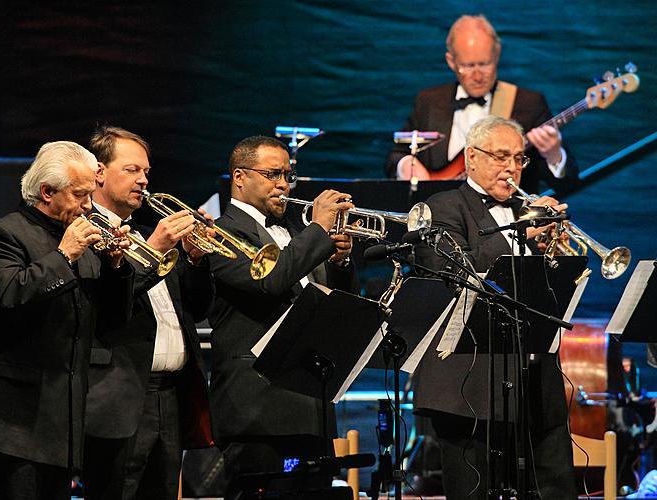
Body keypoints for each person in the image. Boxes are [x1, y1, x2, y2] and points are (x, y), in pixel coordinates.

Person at [412, 116, 576, 499]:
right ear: (471, 157)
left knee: (555, 488)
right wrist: (520, 236)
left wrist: (552, 251)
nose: (512, 168)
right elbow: (454, 270)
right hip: (466, 386)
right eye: (501, 156)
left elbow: (553, 291)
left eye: (519, 159)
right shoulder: (441, 206)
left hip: (535, 382)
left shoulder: (529, 206)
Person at [0, 141, 134, 500]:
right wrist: (64, 255)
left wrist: (117, 266)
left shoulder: (83, 246)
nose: (89, 205)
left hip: (62, 430)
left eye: (91, 194)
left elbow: (110, 324)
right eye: (80, 195)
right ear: (46, 191)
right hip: (8, 429)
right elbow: (9, 297)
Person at [207, 135, 359, 493]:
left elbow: (332, 302)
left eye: (288, 175)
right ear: (239, 177)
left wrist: (339, 261)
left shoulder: (296, 230)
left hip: (309, 402)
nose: (284, 185)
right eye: (274, 174)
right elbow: (271, 281)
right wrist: (319, 230)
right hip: (255, 408)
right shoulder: (221, 231)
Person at [82, 126, 215, 500]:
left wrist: (196, 258)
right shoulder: (83, 234)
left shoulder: (142, 233)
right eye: (132, 170)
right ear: (99, 173)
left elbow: (197, 308)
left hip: (170, 394)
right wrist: (156, 248)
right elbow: (107, 308)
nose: (143, 181)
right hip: (119, 397)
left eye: (146, 172)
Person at [385, 14, 578, 194]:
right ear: (451, 61)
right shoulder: (429, 101)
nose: (477, 76)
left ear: (497, 55)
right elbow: (395, 155)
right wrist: (406, 164)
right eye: (468, 66)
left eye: (485, 64)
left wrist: (554, 155)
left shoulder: (528, 103)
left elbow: (566, 184)